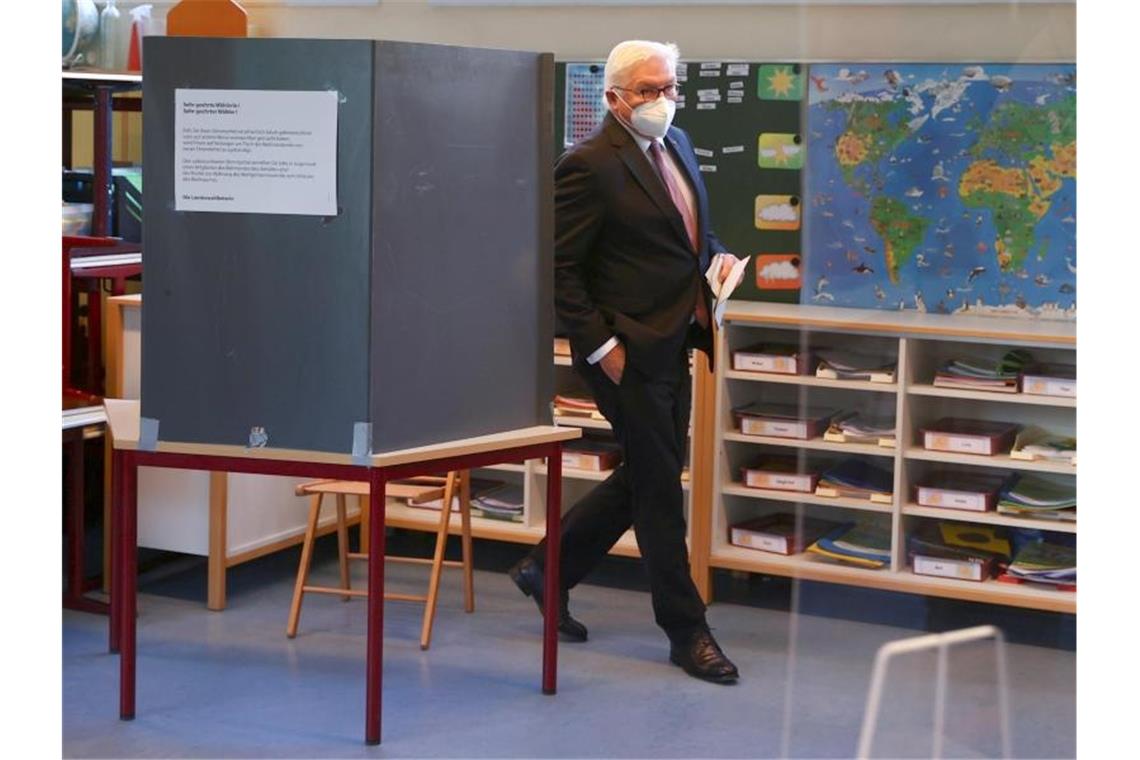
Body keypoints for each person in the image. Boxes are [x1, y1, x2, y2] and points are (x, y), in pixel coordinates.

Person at [509, 39, 740, 684]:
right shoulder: (586, 164)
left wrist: (716, 260)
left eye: (669, 87)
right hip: (625, 352)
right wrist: (601, 346)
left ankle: (545, 570)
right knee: (661, 488)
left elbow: (691, 231)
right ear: (613, 97)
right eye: (647, 91)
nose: (661, 101)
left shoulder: (681, 144)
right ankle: (687, 630)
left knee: (649, 472)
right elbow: (561, 269)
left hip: (678, 338)